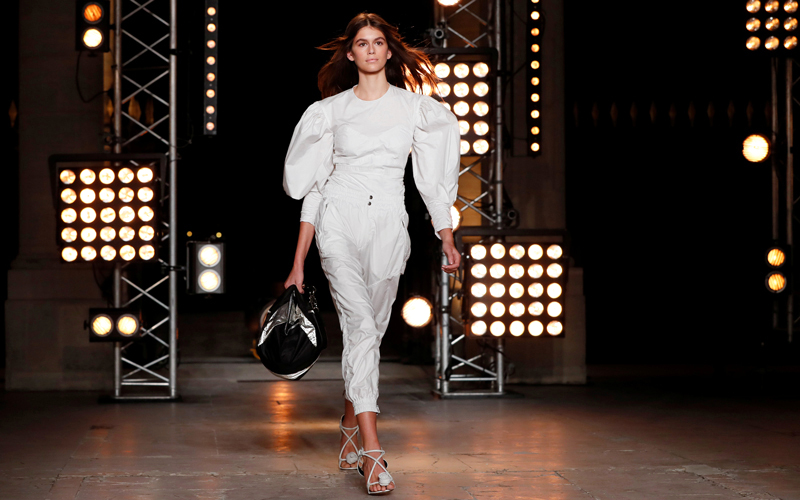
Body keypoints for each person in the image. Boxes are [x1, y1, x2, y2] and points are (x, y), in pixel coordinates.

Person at [282, 12, 460, 495]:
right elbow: (313, 189)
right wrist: (298, 262)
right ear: (351, 53)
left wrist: (445, 233)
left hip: (388, 226)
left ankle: (348, 421)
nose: (372, 50)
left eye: (379, 42)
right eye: (362, 43)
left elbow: (431, 180)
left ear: (388, 50)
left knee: (370, 334)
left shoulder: (415, 110)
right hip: (338, 221)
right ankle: (372, 451)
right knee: (361, 326)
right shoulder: (329, 112)